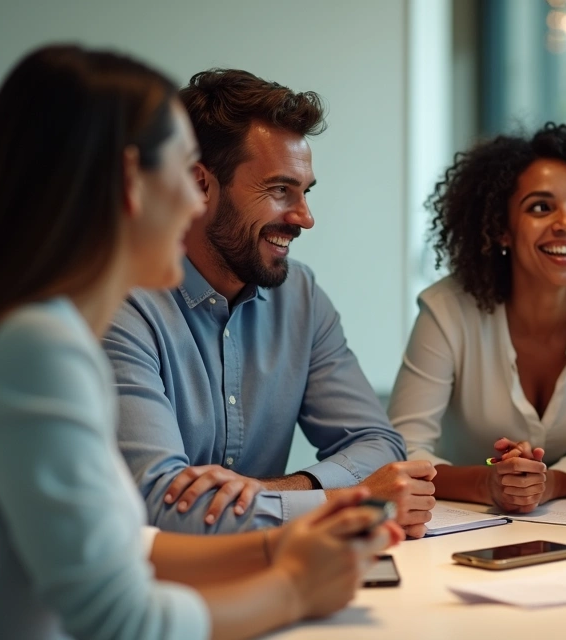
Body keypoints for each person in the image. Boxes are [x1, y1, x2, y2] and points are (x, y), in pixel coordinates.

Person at [0, 45, 398, 640]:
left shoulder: (30, 331)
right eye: (184, 172)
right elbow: (120, 620)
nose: (192, 202)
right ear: (133, 181)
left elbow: (128, 543)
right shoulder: (38, 351)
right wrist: (294, 587)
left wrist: (285, 539)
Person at [104, 68, 436, 537]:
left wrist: (278, 490)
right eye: (280, 190)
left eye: (305, 192)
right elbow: (161, 508)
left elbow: (379, 444)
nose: (305, 217)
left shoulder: (299, 295)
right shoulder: (123, 305)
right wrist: (346, 502)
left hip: (278, 572)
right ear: (200, 185)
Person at [388, 123, 566, 512]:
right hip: (452, 523)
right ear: (501, 230)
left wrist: (544, 486)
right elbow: (403, 446)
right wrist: (488, 483)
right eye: (541, 207)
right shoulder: (446, 309)